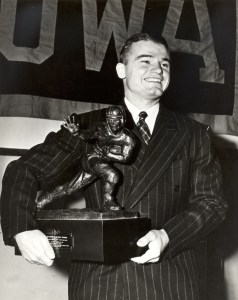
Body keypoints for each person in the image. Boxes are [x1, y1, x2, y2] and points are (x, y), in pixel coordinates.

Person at [1, 33, 227, 300]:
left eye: (165, 64)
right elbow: (24, 169)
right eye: (146, 61)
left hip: (171, 281)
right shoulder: (87, 126)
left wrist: (167, 237)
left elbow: (211, 203)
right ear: (122, 70)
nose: (157, 69)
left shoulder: (194, 134)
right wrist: (22, 229)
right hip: (100, 285)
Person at [37, 105, 136, 211]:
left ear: (122, 120)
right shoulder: (101, 128)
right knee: (112, 175)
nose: (113, 124)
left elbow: (125, 158)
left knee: (70, 188)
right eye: (110, 120)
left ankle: (44, 199)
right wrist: (76, 132)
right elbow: (88, 135)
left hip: (100, 162)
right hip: (92, 158)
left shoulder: (128, 139)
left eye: (116, 120)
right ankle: (108, 201)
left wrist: (108, 154)